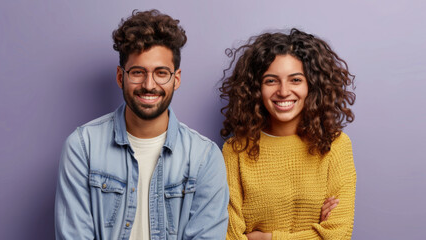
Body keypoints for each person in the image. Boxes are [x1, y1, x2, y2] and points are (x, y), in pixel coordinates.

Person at [55, 9, 229, 240]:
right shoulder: (82, 147)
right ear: (120, 77)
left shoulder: (204, 157)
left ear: (175, 79)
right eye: (138, 72)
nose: (149, 84)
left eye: (161, 73)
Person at [220, 28, 356, 239]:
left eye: (295, 80)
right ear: (256, 88)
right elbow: (228, 236)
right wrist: (314, 233)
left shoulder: (336, 145)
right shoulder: (236, 151)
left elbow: (338, 234)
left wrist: (265, 238)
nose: (283, 91)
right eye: (271, 80)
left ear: (312, 85)